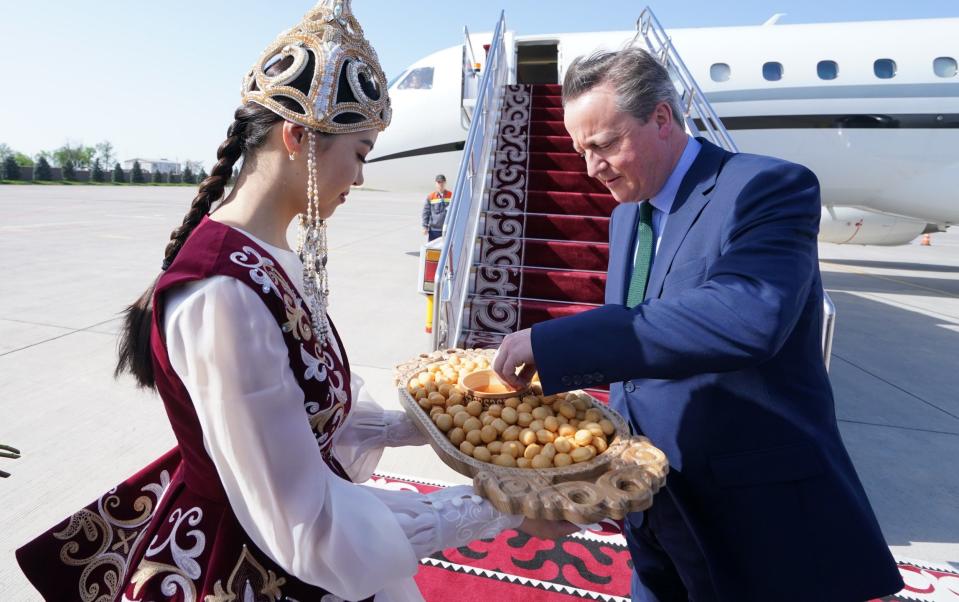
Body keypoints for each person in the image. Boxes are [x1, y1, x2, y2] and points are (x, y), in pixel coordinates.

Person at [15, 3, 573, 601]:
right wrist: (500, 506)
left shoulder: (261, 253)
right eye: (359, 153)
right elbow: (305, 522)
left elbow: (309, 417)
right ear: (299, 137)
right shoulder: (221, 295)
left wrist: (428, 423)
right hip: (248, 560)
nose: (359, 179)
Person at [492, 47, 904, 602]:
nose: (591, 168)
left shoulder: (765, 188)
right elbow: (637, 357)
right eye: (580, 151)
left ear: (662, 118)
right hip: (652, 510)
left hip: (750, 513)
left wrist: (554, 340)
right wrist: (593, 470)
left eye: (605, 145)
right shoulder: (623, 218)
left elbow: (746, 316)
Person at [421, 174, 452, 240]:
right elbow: (426, 213)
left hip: (447, 229)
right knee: (434, 249)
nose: (440, 184)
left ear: (445, 183)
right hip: (434, 231)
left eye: (442, 182)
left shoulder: (451, 195)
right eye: (439, 182)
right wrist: (424, 227)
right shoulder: (431, 196)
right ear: (436, 183)